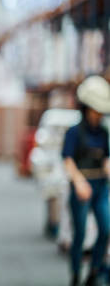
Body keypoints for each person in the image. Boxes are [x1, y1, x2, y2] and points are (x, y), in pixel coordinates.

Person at [63, 75, 110, 286]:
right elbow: (68, 160)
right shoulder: (74, 132)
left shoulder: (103, 133)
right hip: (82, 186)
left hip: (100, 186)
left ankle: (94, 271)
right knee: (80, 233)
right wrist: (79, 182)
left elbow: (106, 158)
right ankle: (75, 275)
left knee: (105, 228)